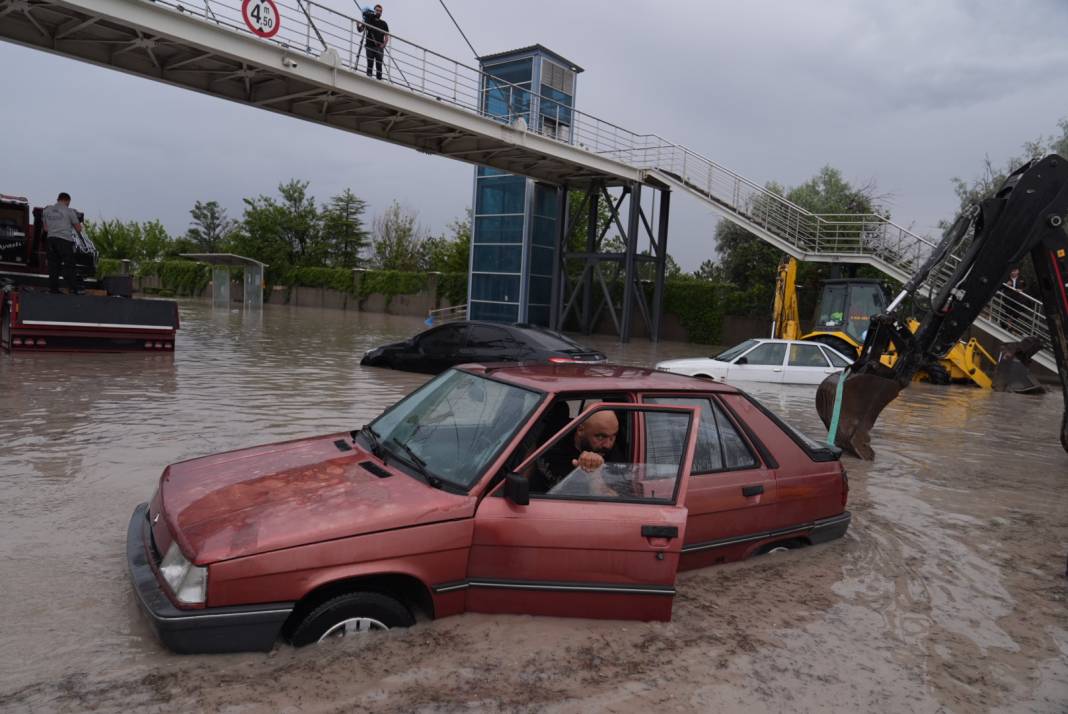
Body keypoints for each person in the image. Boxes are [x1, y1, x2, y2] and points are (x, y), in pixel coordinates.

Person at [531, 410, 621, 494]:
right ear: (580, 430)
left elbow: (612, 504)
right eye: (601, 437)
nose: (608, 445)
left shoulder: (613, 456)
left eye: (613, 437)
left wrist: (594, 475)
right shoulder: (555, 436)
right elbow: (530, 456)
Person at [41, 192, 84, 294]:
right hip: (64, 241)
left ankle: (54, 289)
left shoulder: (47, 210)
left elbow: (46, 228)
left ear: (58, 199)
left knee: (53, 266)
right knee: (70, 265)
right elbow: (78, 228)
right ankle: (74, 289)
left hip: (51, 240)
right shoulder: (69, 211)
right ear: (67, 200)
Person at [357, 4, 389, 80]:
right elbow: (360, 30)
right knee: (370, 63)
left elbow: (386, 37)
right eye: (377, 10)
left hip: (379, 47)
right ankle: (369, 78)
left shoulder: (384, 23)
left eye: (380, 11)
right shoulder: (369, 19)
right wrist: (358, 25)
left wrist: (383, 45)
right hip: (369, 45)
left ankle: (379, 80)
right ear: (374, 11)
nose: (378, 12)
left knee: (379, 65)